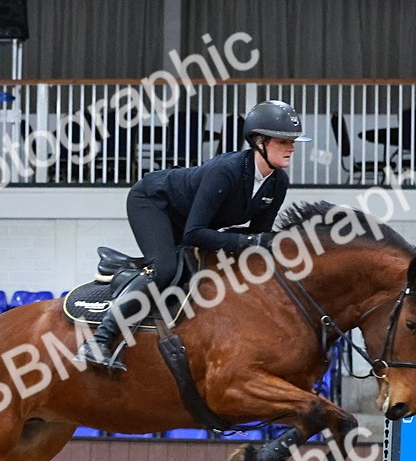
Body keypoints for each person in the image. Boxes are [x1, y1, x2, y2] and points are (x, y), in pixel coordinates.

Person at [78, 100, 312, 372]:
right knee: (165, 270)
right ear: (259, 141)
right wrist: (250, 242)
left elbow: (256, 235)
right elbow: (195, 233)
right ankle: (99, 341)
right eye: (284, 141)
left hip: (191, 219)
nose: (292, 148)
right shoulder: (226, 172)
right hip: (153, 202)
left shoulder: (278, 182)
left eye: (293, 141)